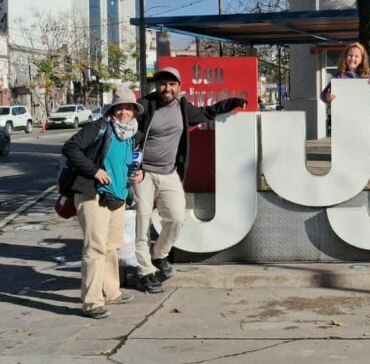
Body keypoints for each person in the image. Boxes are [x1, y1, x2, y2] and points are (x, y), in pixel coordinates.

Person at [132, 67, 247, 294]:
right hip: (143, 174)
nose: (167, 88)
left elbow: (207, 113)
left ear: (179, 87)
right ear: (157, 86)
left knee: (175, 217)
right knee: (141, 224)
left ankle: (159, 255)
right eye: (163, 84)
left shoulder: (183, 108)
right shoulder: (145, 106)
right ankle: (145, 273)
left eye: (172, 84)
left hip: (169, 173)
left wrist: (233, 101)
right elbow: (128, 133)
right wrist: (133, 166)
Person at [61, 87, 143, 319]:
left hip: (117, 196)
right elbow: (70, 148)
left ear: (134, 111)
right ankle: (91, 302)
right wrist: (94, 170)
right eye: (120, 108)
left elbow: (131, 163)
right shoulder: (99, 128)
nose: (124, 112)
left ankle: (111, 292)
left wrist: (140, 174)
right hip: (92, 195)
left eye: (128, 108)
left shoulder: (133, 135)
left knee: (112, 246)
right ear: (112, 110)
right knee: (95, 248)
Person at [321, 42, 370, 190]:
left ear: (362, 58)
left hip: (368, 120)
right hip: (347, 121)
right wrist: (328, 97)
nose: (353, 58)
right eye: (350, 55)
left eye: (356, 56)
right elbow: (324, 95)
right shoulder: (338, 77)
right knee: (350, 150)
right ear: (345, 57)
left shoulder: (367, 74)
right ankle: (350, 180)